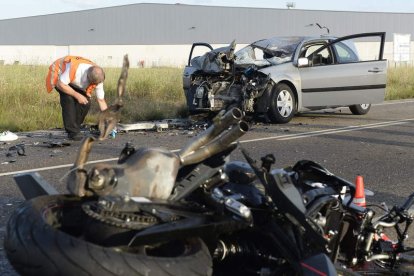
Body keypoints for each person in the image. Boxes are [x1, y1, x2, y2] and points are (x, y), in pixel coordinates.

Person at [46, 56, 108, 141]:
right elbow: (61, 84)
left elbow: (101, 100)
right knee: (68, 99)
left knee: (86, 103)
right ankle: (72, 133)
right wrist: (77, 95)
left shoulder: (98, 76)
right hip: (60, 75)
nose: (96, 85)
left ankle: (75, 126)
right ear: (88, 79)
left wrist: (108, 119)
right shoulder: (76, 70)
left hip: (72, 81)